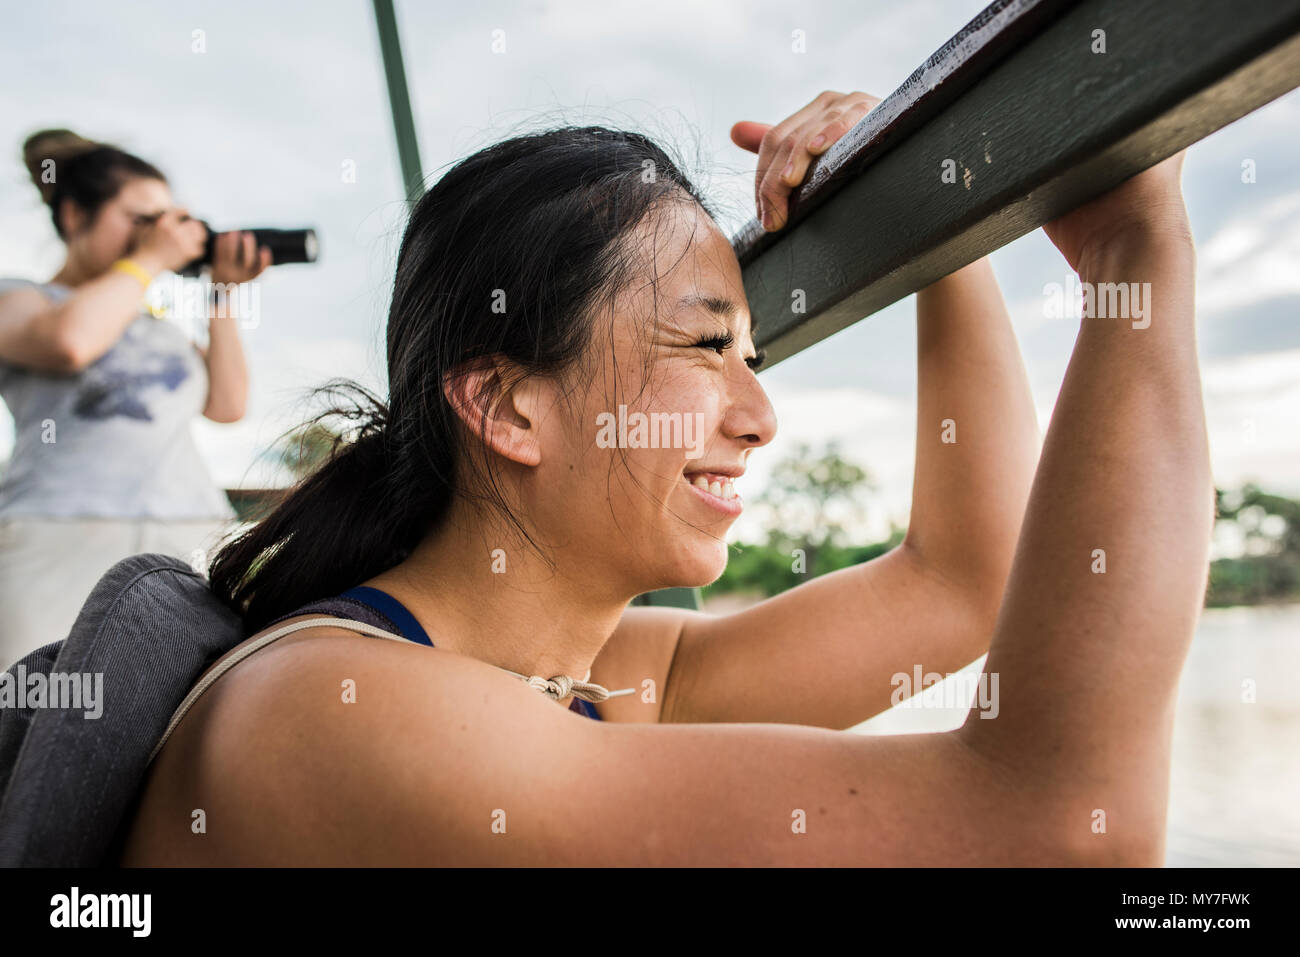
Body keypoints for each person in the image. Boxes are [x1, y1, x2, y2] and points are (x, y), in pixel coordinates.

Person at [119, 91, 1210, 866]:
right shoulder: (345, 716)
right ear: (506, 406)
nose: (760, 417)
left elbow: (961, 590)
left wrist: (943, 225)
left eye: (755, 356)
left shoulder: (583, 673)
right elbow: (1064, 830)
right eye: (702, 350)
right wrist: (1134, 252)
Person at [0, 130, 269, 668]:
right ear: (76, 215)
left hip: (189, 538)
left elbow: (227, 403)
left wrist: (222, 294)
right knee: (40, 715)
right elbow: (69, 342)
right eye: (142, 219)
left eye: (168, 219)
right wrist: (149, 260)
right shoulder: (21, 296)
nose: (161, 235)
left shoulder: (155, 325)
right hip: (57, 536)